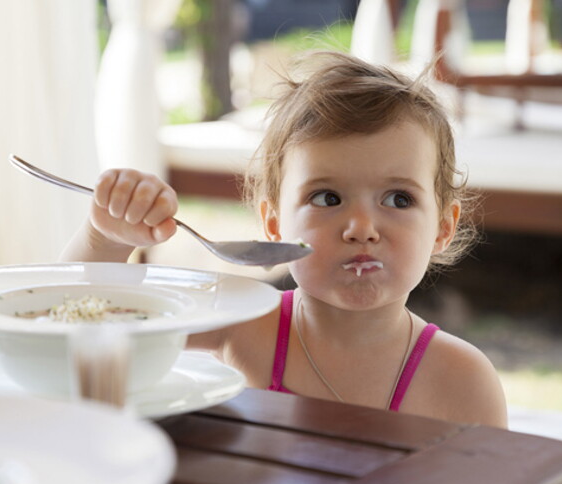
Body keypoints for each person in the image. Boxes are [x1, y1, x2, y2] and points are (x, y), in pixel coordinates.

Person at [62, 52, 508, 428]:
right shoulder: (245, 324)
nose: (361, 228)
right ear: (274, 223)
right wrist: (105, 241)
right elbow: (75, 328)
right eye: (327, 197)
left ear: (442, 227)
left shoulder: (461, 381)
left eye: (398, 198)